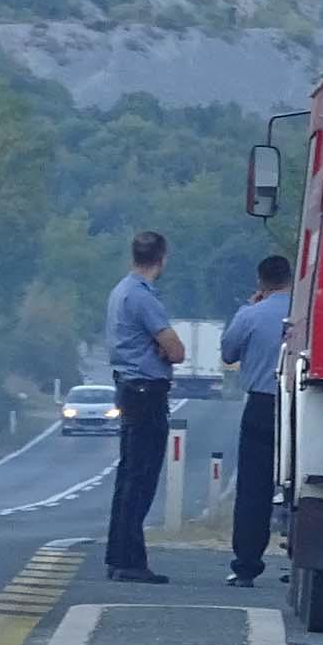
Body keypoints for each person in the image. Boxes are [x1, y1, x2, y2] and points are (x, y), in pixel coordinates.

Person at [103, 231, 186, 585]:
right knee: (141, 477)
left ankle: (118, 554)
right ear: (162, 258)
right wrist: (164, 348)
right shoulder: (143, 298)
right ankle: (131, 560)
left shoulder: (121, 291)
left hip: (128, 386)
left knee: (128, 476)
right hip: (146, 391)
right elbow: (177, 350)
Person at [218, 254, 292, 587]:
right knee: (305, 486)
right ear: (290, 278)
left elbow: (228, 353)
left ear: (261, 282)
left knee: (253, 489)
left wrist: (248, 307)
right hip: (304, 405)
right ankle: (302, 561)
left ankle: (246, 565)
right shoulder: (306, 314)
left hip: (262, 405)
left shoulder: (251, 315)